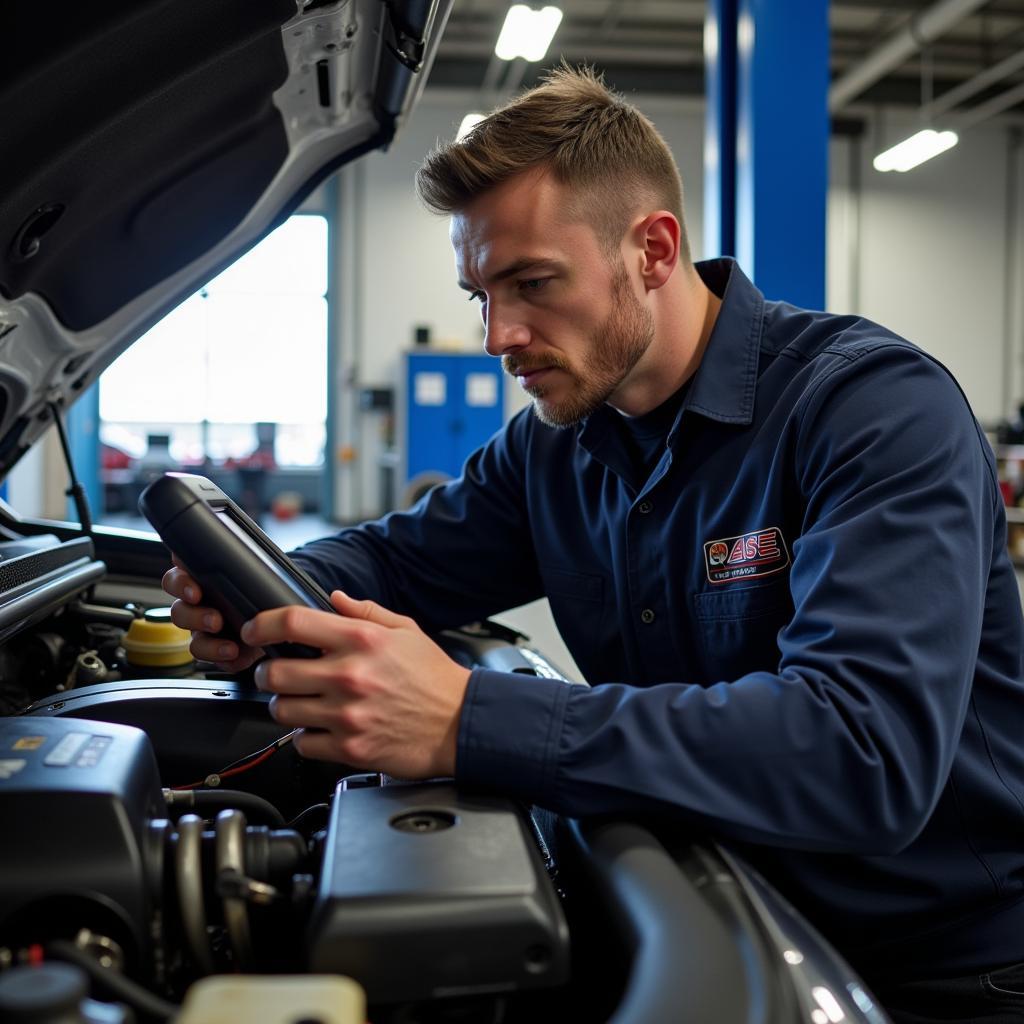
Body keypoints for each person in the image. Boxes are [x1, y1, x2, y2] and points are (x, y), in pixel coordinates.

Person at [164, 67, 1024, 1022]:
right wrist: (266, 595)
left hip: (939, 972)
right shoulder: (556, 444)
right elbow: (399, 560)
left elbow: (863, 754)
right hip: (713, 893)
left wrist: (466, 718)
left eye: (532, 283)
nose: (499, 334)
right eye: (479, 294)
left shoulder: (869, 411)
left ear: (653, 250)